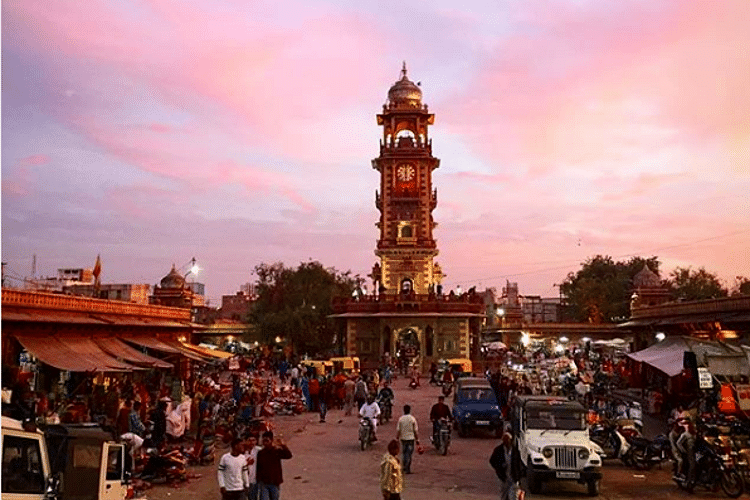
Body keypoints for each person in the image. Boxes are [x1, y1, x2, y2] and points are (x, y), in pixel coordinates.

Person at [256, 431, 292, 500]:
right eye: (263, 441)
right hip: (264, 482)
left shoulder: (276, 451)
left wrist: (283, 446)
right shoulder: (261, 453)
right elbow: (259, 467)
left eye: (267, 441)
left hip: (275, 481)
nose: (265, 443)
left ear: (271, 440)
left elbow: (288, 456)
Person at [490, 430, 522, 500]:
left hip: (513, 477)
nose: (507, 442)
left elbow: (519, 463)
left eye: (508, 440)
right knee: (504, 496)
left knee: (513, 496)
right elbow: (492, 461)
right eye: (505, 440)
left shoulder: (515, 451)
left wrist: (519, 476)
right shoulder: (498, 450)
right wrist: (499, 468)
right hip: (503, 478)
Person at [396, 404, 419, 474]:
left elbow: (398, 430)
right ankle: (407, 468)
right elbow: (415, 430)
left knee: (404, 453)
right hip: (411, 439)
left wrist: (397, 438)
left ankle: (404, 467)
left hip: (403, 438)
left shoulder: (401, 419)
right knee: (409, 454)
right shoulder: (412, 419)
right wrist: (417, 440)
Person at [245, 435, 262, 500]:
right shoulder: (242, 451)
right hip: (244, 480)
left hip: (254, 480)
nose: (251, 442)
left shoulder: (259, 451)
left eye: (253, 440)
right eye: (249, 440)